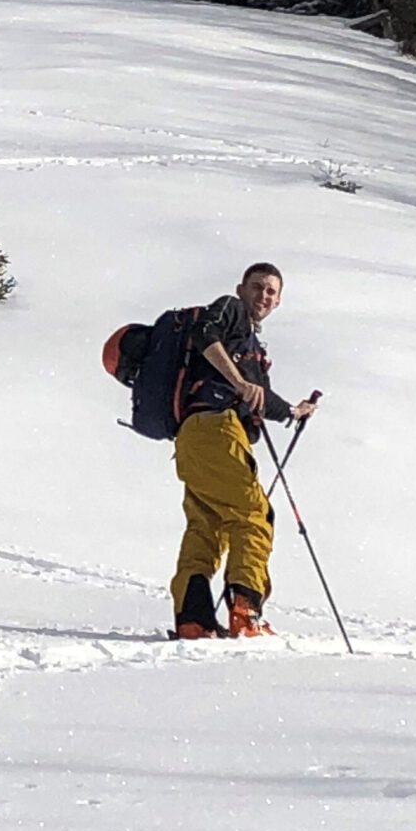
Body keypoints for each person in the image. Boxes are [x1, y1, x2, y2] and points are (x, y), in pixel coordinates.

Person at [171, 263, 319, 639]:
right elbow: (204, 331)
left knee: (206, 525)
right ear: (241, 289)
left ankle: (194, 618)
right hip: (219, 429)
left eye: (271, 291)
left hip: (194, 435)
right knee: (254, 516)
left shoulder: (251, 347)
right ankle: (246, 613)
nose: (263, 296)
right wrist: (238, 383)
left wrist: (293, 411)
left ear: (279, 301)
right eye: (258, 287)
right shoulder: (230, 310)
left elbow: (260, 398)